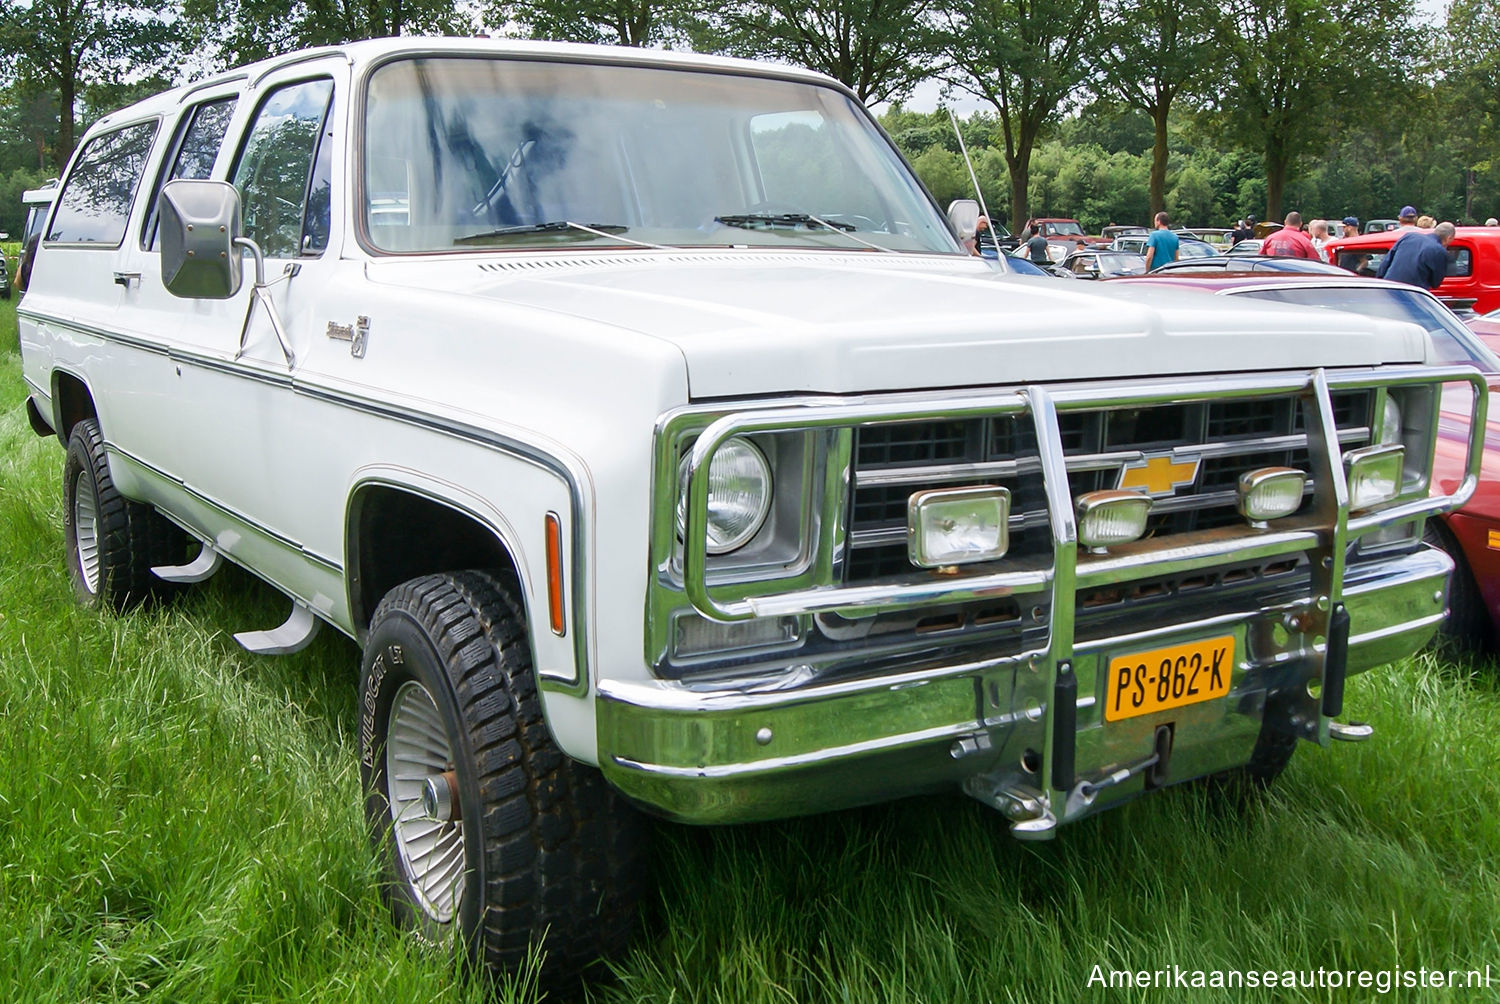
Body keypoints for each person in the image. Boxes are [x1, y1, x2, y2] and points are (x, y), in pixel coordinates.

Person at [1377, 221, 1455, 289]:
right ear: (1449, 238)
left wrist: (1381, 282)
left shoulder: (1409, 236)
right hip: (1413, 293)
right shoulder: (1439, 251)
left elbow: (1386, 263)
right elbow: (1435, 283)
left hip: (1389, 286)